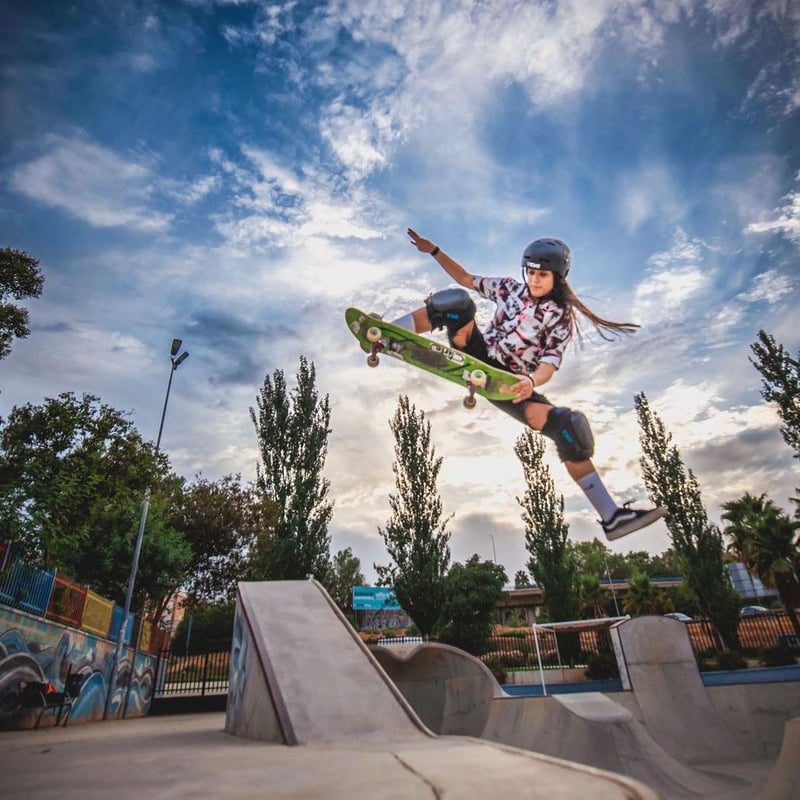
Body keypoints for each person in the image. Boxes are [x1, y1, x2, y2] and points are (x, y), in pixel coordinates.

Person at [393, 228, 666, 541]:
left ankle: (612, 517)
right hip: (477, 353)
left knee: (569, 427)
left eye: (543, 275)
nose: (534, 279)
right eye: (531, 272)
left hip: (512, 383)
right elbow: (467, 278)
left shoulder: (561, 316)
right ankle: (389, 333)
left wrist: (531, 381)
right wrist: (434, 251)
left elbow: (550, 362)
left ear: (558, 277)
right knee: (456, 302)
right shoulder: (508, 289)